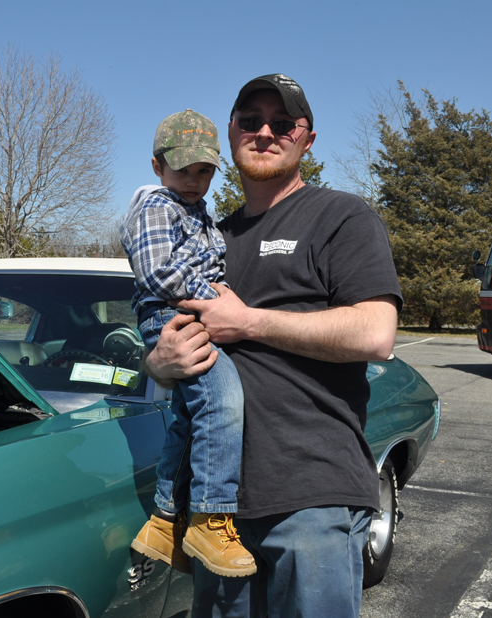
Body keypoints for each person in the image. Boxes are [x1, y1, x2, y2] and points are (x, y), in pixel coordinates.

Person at [146, 74, 401, 618]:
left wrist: (249, 322)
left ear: (306, 139)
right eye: (250, 120)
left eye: (283, 123)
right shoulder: (208, 237)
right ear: (231, 135)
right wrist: (160, 364)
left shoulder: (340, 217)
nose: (265, 132)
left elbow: (377, 334)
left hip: (310, 497)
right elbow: (168, 342)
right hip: (216, 514)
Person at [122, 109, 256, 577]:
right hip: (172, 317)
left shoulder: (197, 213)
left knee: (189, 416)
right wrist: (216, 300)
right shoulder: (156, 206)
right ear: (158, 165)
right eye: (183, 169)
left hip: (187, 313)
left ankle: (163, 521)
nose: (194, 181)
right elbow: (158, 271)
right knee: (224, 401)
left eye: (205, 172)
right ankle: (209, 517)